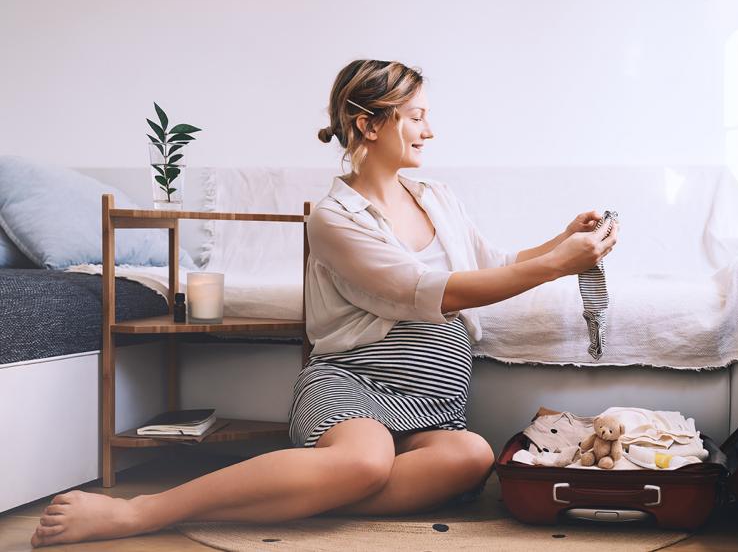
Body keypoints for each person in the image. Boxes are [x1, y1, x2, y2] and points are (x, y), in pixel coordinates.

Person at [30, 59, 619, 547]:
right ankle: (146, 513)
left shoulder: (437, 196)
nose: (429, 131)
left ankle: (299, 495)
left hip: (435, 402)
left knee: (470, 455)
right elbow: (428, 293)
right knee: (364, 463)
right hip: (354, 384)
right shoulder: (334, 219)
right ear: (368, 125)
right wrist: (556, 268)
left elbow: (492, 265)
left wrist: (564, 243)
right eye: (415, 117)